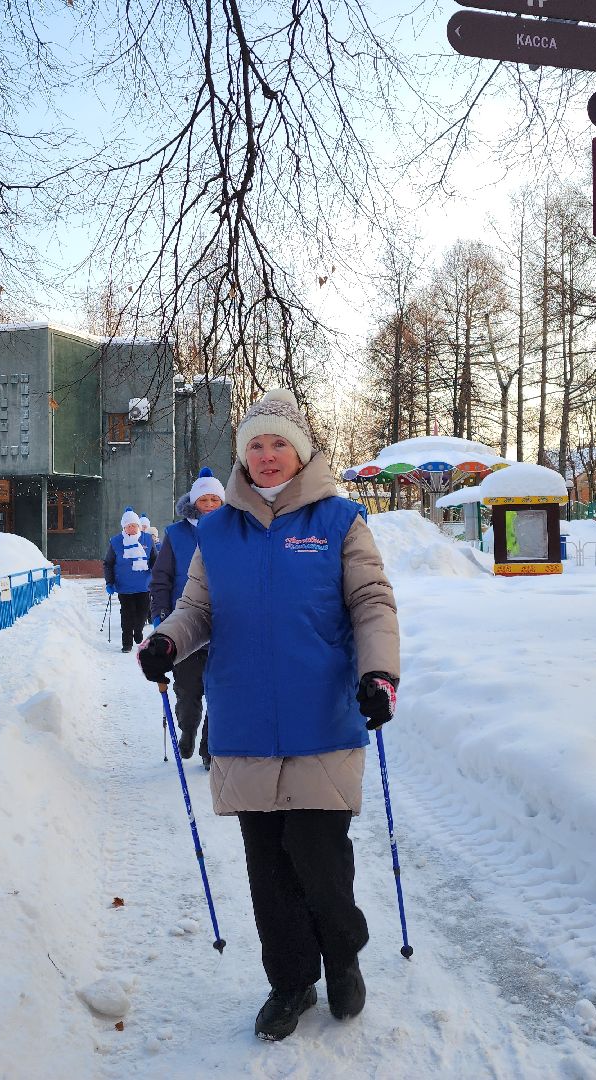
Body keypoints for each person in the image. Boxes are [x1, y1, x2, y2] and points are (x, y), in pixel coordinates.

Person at [137, 388, 399, 1042]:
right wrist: (169, 640)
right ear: (242, 457)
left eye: (279, 442)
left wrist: (379, 676)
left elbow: (371, 601)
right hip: (246, 725)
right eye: (255, 444)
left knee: (320, 860)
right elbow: (198, 608)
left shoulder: (340, 521)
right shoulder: (217, 530)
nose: (267, 455)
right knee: (268, 869)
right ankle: (290, 982)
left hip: (323, 717)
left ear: (301, 450)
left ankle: (341, 953)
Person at [149, 467, 225, 769]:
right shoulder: (176, 535)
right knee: (188, 693)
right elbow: (160, 578)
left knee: (219, 695)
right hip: (186, 626)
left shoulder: (232, 530)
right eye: (204, 500)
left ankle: (210, 747)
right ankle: (189, 728)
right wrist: (161, 617)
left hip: (224, 626)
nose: (209, 505)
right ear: (194, 503)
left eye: (214, 500)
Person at [104, 506, 154, 652]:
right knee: (127, 614)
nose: (132, 528)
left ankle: (138, 631)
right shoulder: (116, 542)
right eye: (128, 526)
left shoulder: (147, 539)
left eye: (134, 525)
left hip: (144, 585)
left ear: (139, 526)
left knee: (143, 613)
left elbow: (154, 559)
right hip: (124, 586)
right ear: (124, 527)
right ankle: (127, 643)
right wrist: (109, 582)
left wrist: (157, 576)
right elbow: (108, 563)